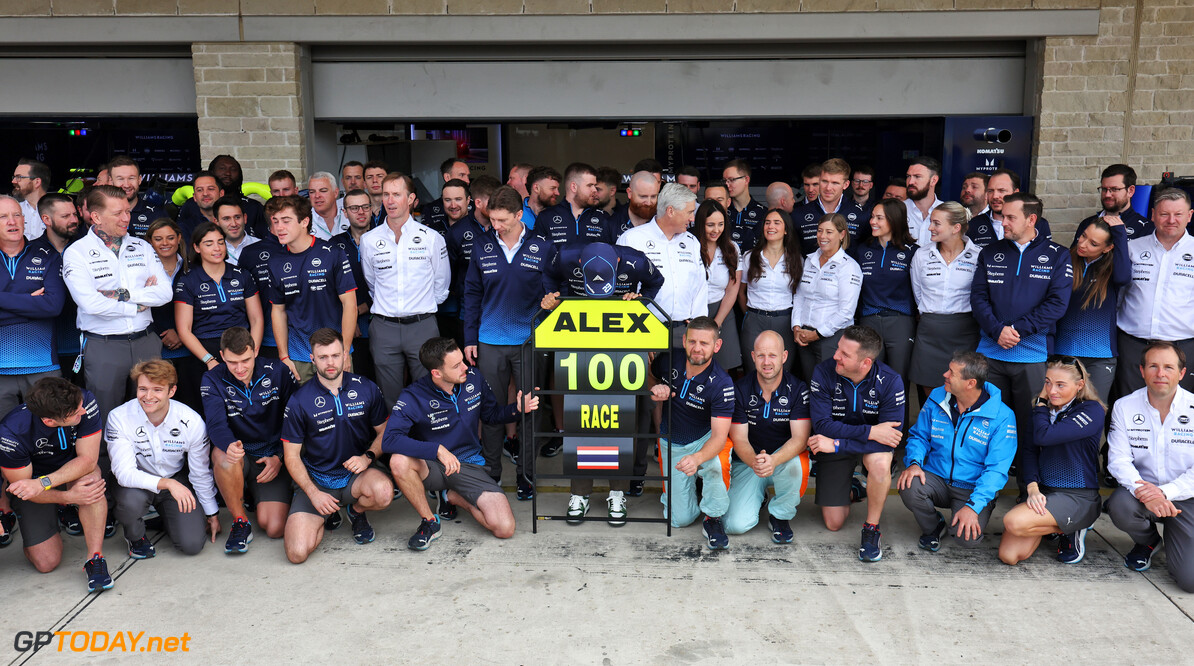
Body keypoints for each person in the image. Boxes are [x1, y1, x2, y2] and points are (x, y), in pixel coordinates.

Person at [540, 242, 662, 524]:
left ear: (618, 262)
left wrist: (642, 302)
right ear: (579, 263)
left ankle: (617, 493)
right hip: (580, 342)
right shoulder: (566, 255)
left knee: (620, 420)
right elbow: (548, 275)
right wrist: (552, 298)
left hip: (623, 345)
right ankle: (580, 494)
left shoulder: (637, 260)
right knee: (581, 418)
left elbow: (657, 282)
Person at [385, 337, 538, 549]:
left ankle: (452, 496)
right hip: (430, 465)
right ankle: (430, 522)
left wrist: (518, 409)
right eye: (456, 365)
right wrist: (437, 450)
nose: (465, 367)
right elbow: (390, 439)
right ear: (436, 373)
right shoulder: (413, 395)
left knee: (505, 528)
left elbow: (491, 415)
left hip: (468, 463)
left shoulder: (473, 378)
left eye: (462, 361)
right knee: (398, 461)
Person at [970, 192, 1071, 497]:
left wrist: (1016, 330)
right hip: (990, 353)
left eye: (1010, 217)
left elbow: (1057, 304)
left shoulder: (1057, 255)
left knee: (1030, 425)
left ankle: (1028, 488)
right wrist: (998, 330)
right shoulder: (990, 252)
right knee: (986, 421)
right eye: (1001, 216)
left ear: (1031, 219)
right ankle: (981, 488)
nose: (1003, 222)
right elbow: (978, 297)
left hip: (1031, 356)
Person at [463, 186, 555, 501]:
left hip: (530, 340)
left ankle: (526, 476)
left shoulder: (544, 247)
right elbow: (472, 294)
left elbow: (556, 292)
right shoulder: (481, 245)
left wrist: (552, 303)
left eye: (502, 220)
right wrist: (469, 338)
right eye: (492, 220)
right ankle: (491, 474)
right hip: (488, 341)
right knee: (490, 410)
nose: (495, 226)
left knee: (530, 409)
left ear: (520, 215)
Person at [280, 328, 392, 563]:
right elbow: (291, 456)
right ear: (312, 359)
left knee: (383, 493)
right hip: (317, 481)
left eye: (335, 355)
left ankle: (355, 512)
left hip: (355, 477)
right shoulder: (299, 400)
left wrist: (367, 457)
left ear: (345, 355)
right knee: (297, 553)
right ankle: (325, 513)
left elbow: (385, 433)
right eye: (322, 357)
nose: (330, 363)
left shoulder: (366, 388)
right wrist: (314, 494)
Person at [62, 185, 171, 420]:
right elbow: (90, 303)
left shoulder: (142, 246)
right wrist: (141, 301)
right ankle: (101, 458)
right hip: (104, 345)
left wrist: (121, 294)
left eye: (127, 211)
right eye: (118, 213)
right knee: (104, 414)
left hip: (146, 342)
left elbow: (165, 293)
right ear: (96, 217)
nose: (126, 218)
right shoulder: (76, 252)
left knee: (152, 412)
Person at [893, 351, 1014, 553]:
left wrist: (973, 506)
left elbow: (997, 470)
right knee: (909, 485)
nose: (944, 375)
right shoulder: (937, 396)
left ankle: (980, 508)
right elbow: (919, 436)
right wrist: (914, 463)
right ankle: (934, 526)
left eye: (952, 373)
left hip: (972, 488)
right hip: (937, 477)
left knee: (967, 540)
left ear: (970, 383)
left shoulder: (1002, 416)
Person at [0, 377, 111, 591]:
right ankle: (45, 517)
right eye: (76, 414)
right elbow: (25, 489)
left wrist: (47, 482)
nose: (83, 412)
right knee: (46, 562)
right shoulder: (10, 434)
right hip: (32, 483)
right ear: (50, 421)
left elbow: (88, 460)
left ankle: (95, 558)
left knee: (91, 481)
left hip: (66, 472)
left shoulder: (83, 400)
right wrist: (67, 498)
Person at [806, 325, 905, 562]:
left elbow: (889, 440)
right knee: (833, 523)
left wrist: (838, 444)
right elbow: (822, 426)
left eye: (845, 354)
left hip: (846, 445)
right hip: (848, 440)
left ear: (866, 363)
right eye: (839, 348)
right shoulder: (823, 372)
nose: (836, 356)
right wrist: (870, 431)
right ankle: (855, 488)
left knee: (881, 464)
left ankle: (871, 528)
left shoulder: (891, 382)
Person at [200, 326, 298, 553]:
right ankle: (240, 521)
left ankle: (260, 495)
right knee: (222, 456)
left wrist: (280, 456)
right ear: (222, 356)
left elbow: (296, 419)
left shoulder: (278, 371)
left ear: (254, 351)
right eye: (232, 362)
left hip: (272, 455)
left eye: (245, 360)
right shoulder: (211, 378)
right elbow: (215, 424)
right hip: (240, 454)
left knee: (274, 528)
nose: (240, 368)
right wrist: (228, 445)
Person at [107, 360, 220, 558]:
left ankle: (159, 516)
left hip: (175, 479)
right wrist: (167, 484)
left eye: (157, 390)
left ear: (172, 391)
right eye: (143, 389)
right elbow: (124, 473)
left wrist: (211, 512)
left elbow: (200, 472)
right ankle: (135, 536)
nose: (148, 396)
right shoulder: (119, 417)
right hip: (136, 484)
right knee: (131, 502)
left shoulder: (191, 420)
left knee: (192, 544)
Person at [999, 356, 1105, 565]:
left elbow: (1045, 437)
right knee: (1009, 556)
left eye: (1060, 385)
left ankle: (1077, 524)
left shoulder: (1091, 410)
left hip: (1077, 495)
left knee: (1013, 521)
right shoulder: (1041, 412)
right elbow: (1028, 451)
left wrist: (1040, 405)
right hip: (1044, 492)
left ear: (1079, 385)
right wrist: (1032, 488)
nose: (1051, 390)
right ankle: (1060, 524)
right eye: (1047, 382)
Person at [1107, 341, 1194, 591]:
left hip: (1186, 497)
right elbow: (1118, 460)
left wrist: (1165, 493)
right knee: (1120, 506)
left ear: (1181, 373)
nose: (1160, 373)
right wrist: (1145, 492)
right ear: (1142, 370)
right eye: (1153, 366)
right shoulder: (1124, 406)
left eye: (1168, 367)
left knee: (1190, 582)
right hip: (1142, 494)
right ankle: (1149, 541)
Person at [360, 173, 449, 406]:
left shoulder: (431, 238)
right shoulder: (369, 240)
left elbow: (441, 285)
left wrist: (420, 308)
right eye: (385, 194)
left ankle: (424, 441)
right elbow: (372, 283)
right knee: (389, 398)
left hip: (422, 326)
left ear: (410, 199)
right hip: (384, 327)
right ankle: (394, 441)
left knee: (428, 394)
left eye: (396, 194)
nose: (389, 200)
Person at [649, 316, 735, 549]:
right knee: (680, 520)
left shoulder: (722, 383)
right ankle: (693, 487)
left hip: (704, 441)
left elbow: (719, 437)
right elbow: (650, 375)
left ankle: (713, 517)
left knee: (715, 465)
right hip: (671, 443)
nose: (697, 348)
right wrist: (653, 388)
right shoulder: (668, 360)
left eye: (705, 343)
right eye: (693, 341)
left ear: (716, 346)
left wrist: (697, 459)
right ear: (685, 340)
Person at [724, 331, 811, 541]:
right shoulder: (740, 389)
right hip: (749, 462)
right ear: (753, 357)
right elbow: (740, 440)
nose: (766, 362)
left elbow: (800, 439)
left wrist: (773, 460)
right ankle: (760, 496)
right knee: (734, 525)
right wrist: (756, 462)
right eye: (761, 355)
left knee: (795, 467)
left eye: (772, 355)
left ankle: (779, 516)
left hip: (783, 459)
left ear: (784, 356)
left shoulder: (798, 389)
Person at [265, 196, 358, 382]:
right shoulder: (275, 262)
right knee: (304, 410)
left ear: (305, 222)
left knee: (344, 408)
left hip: (335, 354)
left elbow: (350, 304)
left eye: (286, 220)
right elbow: (278, 311)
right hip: (298, 356)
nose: (278, 228)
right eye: (275, 221)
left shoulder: (333, 254)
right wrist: (284, 356)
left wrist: (344, 351)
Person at [1115, 188, 1194, 395]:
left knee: (1178, 412)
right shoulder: (1132, 248)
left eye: (1178, 214)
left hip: (1182, 347)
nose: (1171, 220)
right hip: (1133, 345)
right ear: (1152, 215)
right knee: (1126, 404)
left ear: (1189, 216)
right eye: (1164, 214)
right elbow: (1118, 295)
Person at [0, 196, 66, 417]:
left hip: (43, 366)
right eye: (3, 216)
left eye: (16, 215)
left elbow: (53, 306)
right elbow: (41, 307)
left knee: (50, 432)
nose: (12, 221)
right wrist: (30, 303)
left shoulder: (47, 255)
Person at [618, 183, 706, 348]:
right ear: (671, 211)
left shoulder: (692, 242)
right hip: (643, 328)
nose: (693, 219)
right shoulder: (631, 239)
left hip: (685, 332)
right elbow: (621, 289)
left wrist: (698, 325)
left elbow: (700, 286)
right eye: (689, 212)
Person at [1053, 215, 1129, 403]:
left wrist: (1120, 234)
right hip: (1064, 351)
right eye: (1083, 236)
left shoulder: (1111, 269)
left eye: (1094, 243)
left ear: (1108, 247)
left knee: (1092, 412)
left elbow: (1124, 277)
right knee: (1060, 409)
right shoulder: (1065, 260)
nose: (1084, 244)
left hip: (1100, 355)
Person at [909, 202, 982, 398]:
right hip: (930, 330)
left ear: (956, 228)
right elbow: (918, 292)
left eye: (936, 223)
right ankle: (934, 428)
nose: (930, 228)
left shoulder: (978, 256)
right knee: (930, 390)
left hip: (965, 330)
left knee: (963, 389)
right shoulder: (922, 254)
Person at [174, 222, 265, 379]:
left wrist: (252, 353)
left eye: (221, 242)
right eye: (209, 244)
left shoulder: (242, 275)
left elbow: (257, 319)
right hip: (205, 349)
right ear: (197, 248)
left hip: (242, 345)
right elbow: (184, 330)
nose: (217, 248)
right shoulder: (187, 280)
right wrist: (209, 360)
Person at [790, 213, 863, 382]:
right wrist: (796, 326)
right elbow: (800, 296)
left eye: (829, 232)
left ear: (842, 234)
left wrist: (818, 334)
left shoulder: (849, 267)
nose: (822, 236)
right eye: (820, 231)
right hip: (804, 336)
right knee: (810, 384)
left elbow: (846, 312)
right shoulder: (809, 260)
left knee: (829, 387)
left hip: (832, 338)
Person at [854, 198, 917, 388]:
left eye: (879, 218)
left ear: (894, 220)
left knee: (898, 382)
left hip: (900, 322)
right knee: (870, 381)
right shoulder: (862, 250)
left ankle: (899, 420)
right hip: (869, 321)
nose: (873, 221)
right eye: (872, 217)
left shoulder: (912, 252)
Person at [738, 209, 800, 374]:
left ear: (786, 229)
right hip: (754, 321)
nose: (770, 226)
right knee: (753, 371)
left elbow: (801, 295)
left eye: (777, 222)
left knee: (782, 371)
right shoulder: (750, 257)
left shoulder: (796, 259)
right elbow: (741, 292)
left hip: (785, 321)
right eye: (767, 222)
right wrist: (751, 314)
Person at [146, 218, 196, 408]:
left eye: (170, 238)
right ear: (150, 241)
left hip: (190, 348)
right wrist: (161, 333)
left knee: (189, 403)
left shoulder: (193, 269)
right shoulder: (141, 270)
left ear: (179, 238)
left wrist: (181, 332)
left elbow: (202, 307)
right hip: (154, 347)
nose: (165, 243)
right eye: (158, 239)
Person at [331, 189, 376, 379]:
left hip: (381, 321)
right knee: (358, 377)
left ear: (372, 209)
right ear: (345, 212)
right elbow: (330, 287)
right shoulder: (333, 244)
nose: (361, 212)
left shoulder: (386, 239)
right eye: (354, 208)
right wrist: (351, 316)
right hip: (350, 325)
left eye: (365, 207)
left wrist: (365, 306)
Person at [694, 200, 741, 372]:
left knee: (722, 368)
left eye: (721, 224)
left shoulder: (732, 248)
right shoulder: (689, 245)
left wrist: (718, 322)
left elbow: (732, 289)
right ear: (700, 224)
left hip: (722, 312)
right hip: (693, 312)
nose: (716, 230)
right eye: (710, 225)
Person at [793, 158, 870, 254]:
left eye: (835, 183)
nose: (828, 188)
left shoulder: (861, 214)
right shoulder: (798, 214)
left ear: (846, 185)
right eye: (824, 181)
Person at [967, 169, 1052, 248]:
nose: (995, 196)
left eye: (1002, 190)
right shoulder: (973, 224)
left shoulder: (1038, 223)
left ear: (1015, 193)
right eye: (990, 191)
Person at [535, 162, 614, 246]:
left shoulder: (603, 217)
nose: (594, 190)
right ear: (574, 187)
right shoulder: (546, 217)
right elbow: (538, 253)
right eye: (590, 185)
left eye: (595, 186)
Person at [1071, 164, 1152, 242]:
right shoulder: (1087, 223)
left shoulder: (1146, 228)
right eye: (1104, 189)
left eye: (1114, 189)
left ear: (1130, 191)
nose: (1107, 195)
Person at [107, 155, 167, 240]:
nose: (127, 185)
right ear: (111, 181)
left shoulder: (156, 214)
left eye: (131, 178)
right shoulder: (102, 213)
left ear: (139, 180)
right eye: (120, 179)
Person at [722, 159, 767, 251]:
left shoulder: (763, 213)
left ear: (746, 180)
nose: (727, 184)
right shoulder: (721, 210)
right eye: (725, 181)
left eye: (731, 180)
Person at [903, 157, 944, 245]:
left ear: (933, 180)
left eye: (917, 177)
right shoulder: (898, 210)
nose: (910, 182)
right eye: (908, 176)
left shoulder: (947, 212)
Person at [176, 172, 225, 242]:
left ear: (221, 193)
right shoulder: (185, 228)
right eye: (199, 190)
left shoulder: (234, 221)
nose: (205, 194)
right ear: (195, 197)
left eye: (210, 189)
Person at [610, 171, 659, 236]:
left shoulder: (663, 224)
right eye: (643, 196)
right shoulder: (612, 224)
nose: (649, 203)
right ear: (630, 193)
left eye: (653, 196)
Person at [213, 196, 259, 264]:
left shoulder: (261, 246)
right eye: (226, 219)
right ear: (216, 222)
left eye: (237, 217)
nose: (233, 224)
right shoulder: (210, 252)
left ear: (245, 218)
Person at [11, 158, 48, 240]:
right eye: (14, 177)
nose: (13, 181)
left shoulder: (57, 210)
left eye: (19, 177)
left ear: (37, 182)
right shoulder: (12, 210)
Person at [307, 171, 348, 241]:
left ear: (336, 193)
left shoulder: (349, 216)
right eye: (312, 192)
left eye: (323, 191)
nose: (317, 196)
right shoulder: (302, 221)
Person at [520, 166, 561, 231]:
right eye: (552, 188)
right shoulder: (516, 214)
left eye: (557, 189)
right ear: (536, 188)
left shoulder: (560, 215)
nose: (557, 193)